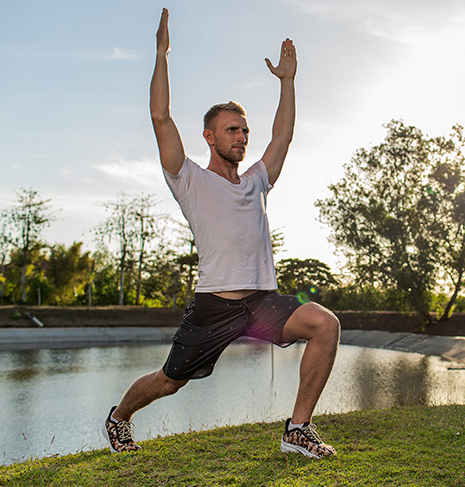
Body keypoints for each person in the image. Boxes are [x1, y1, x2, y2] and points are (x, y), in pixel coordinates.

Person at [102, 8, 340, 460]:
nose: (242, 137)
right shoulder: (189, 178)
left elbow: (283, 137)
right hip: (215, 306)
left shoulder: (255, 181)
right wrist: (161, 54)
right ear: (209, 136)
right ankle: (119, 418)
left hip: (262, 302)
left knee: (325, 324)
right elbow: (160, 116)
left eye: (245, 131)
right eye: (232, 130)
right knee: (169, 381)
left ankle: (297, 429)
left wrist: (287, 82)